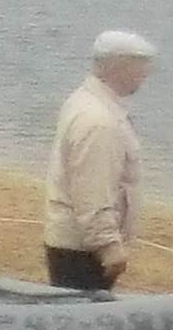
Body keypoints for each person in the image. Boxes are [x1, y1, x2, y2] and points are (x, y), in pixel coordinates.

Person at [44, 29, 155, 290]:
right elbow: (92, 191)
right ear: (120, 66)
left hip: (74, 242)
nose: (145, 75)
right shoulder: (99, 121)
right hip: (83, 251)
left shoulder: (85, 102)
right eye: (141, 68)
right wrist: (109, 247)